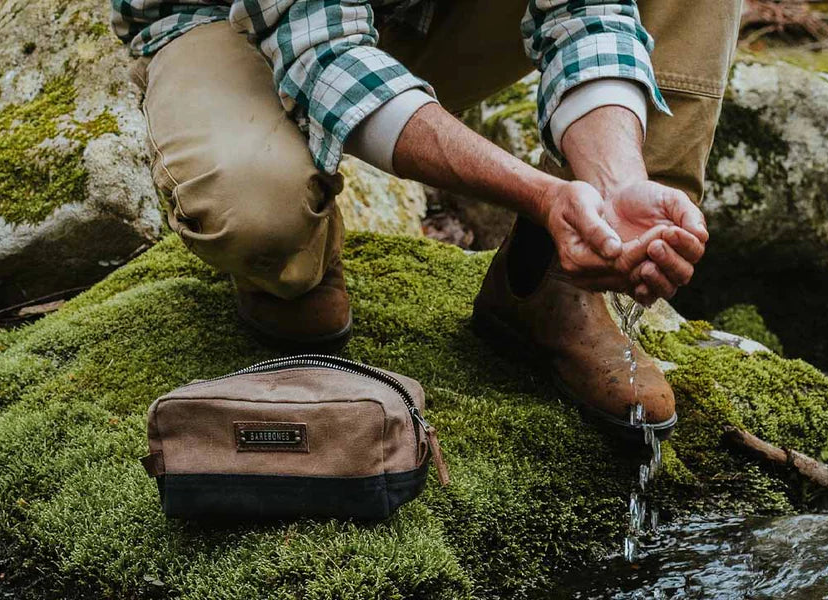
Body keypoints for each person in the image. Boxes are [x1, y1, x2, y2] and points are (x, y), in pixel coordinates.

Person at [112, 0, 741, 439]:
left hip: (422, 16)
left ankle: (555, 289)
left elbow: (586, 13)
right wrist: (540, 193)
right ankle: (295, 257)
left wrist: (616, 184)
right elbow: (324, 56)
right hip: (238, 24)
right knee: (256, 215)